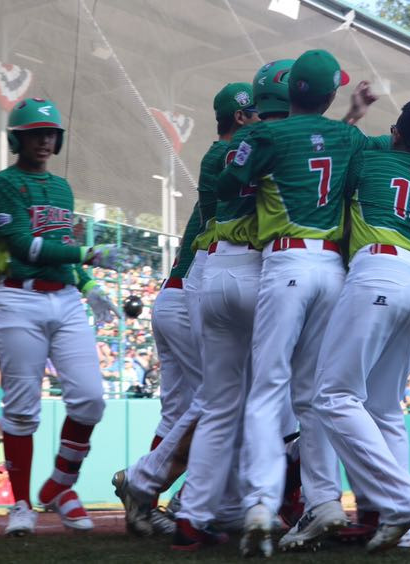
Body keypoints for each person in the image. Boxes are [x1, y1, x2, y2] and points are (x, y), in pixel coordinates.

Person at [220, 49, 384, 555]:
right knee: (313, 394)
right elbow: (352, 149)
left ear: (289, 91)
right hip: (333, 269)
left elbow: (229, 183)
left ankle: (262, 504)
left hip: (286, 263)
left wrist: (258, 174)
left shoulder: (266, 134)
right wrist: (353, 116)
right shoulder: (348, 135)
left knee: (269, 388)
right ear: (331, 93)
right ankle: (325, 501)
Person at [116, 82, 259, 538]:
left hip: (176, 294)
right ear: (240, 118)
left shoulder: (231, 160)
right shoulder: (233, 158)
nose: (267, 121)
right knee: (220, 400)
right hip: (193, 293)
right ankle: (155, 484)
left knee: (183, 411)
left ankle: (152, 502)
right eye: (259, 113)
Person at [312, 99, 410, 553]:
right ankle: (403, 529)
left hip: (380, 270)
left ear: (395, 133)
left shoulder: (371, 160)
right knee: (387, 408)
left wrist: (352, 118)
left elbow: (330, 167)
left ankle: (405, 499)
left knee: (334, 395)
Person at [0, 98, 120, 537]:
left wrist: (88, 284)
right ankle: (20, 504)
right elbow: (24, 246)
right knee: (22, 409)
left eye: (50, 133)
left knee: (91, 398)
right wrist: (88, 255)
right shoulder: (1, 184)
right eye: (35, 133)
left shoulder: (62, 189)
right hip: (18, 300)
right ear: (17, 138)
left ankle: (59, 485)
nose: (44, 140)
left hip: (64, 299)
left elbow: (58, 248)